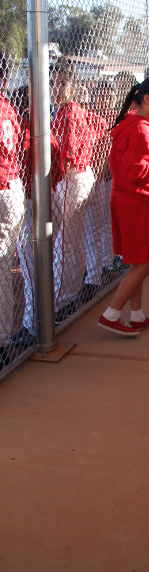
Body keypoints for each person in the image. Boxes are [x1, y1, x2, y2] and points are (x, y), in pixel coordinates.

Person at [97, 76, 149, 337]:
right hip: (133, 201)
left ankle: (137, 315)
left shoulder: (133, 124)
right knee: (145, 264)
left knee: (138, 261)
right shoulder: (141, 129)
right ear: (147, 98)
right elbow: (138, 172)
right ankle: (111, 314)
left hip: (128, 200)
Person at [13, 86, 64, 345]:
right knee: (46, 259)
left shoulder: (26, 128)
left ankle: (34, 326)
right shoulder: (44, 127)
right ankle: (45, 316)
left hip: (33, 199)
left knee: (32, 264)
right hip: (49, 194)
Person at [50, 60, 96, 320]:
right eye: (53, 83)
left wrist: (59, 184)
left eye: (63, 83)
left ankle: (63, 300)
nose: (56, 89)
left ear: (74, 85)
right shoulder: (72, 110)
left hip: (73, 177)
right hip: (81, 176)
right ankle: (73, 292)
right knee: (73, 240)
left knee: (64, 243)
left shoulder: (67, 113)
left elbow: (65, 160)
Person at [0, 52, 25, 370]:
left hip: (4, 188)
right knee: (6, 267)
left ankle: (4, 339)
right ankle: (7, 334)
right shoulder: (7, 105)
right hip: (13, 188)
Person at [81, 79, 116, 302]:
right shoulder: (90, 116)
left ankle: (99, 271)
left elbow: (106, 155)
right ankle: (96, 269)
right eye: (100, 96)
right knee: (91, 230)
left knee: (101, 226)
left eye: (108, 97)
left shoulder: (114, 117)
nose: (103, 100)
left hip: (103, 180)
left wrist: (100, 177)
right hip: (88, 180)